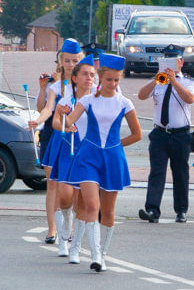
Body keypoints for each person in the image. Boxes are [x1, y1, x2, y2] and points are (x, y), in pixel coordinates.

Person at [63, 54, 142, 272]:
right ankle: (95, 255)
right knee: (91, 205)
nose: (113, 84)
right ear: (100, 77)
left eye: (117, 80)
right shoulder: (88, 100)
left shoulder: (125, 103)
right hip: (88, 156)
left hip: (113, 159)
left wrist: (116, 147)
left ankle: (103, 254)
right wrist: (64, 116)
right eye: (109, 79)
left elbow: (137, 134)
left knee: (108, 212)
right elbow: (70, 120)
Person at [29, 38, 82, 245]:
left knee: (73, 184)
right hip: (55, 134)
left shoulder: (87, 83)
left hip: (78, 135)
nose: (71, 65)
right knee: (53, 184)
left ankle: (69, 226)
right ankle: (53, 229)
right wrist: (37, 121)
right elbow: (46, 109)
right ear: (61, 61)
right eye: (67, 61)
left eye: (75, 61)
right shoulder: (54, 85)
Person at [137, 44, 194, 224]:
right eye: (167, 60)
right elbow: (141, 95)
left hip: (180, 134)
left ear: (180, 62)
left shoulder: (188, 81)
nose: (170, 64)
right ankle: (152, 209)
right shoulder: (159, 80)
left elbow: (190, 99)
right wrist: (156, 80)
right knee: (157, 172)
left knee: (180, 173)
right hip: (160, 134)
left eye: (174, 60)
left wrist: (174, 81)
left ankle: (181, 210)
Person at [48, 55, 98, 258]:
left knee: (84, 204)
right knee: (66, 197)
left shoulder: (98, 98)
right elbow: (55, 123)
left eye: (92, 75)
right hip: (69, 149)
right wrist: (66, 127)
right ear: (75, 78)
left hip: (88, 152)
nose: (89, 78)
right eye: (85, 74)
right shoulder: (67, 100)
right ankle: (64, 234)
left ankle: (74, 246)